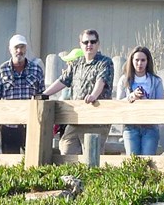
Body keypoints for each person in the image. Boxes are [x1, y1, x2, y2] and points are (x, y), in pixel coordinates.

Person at [45, 29, 113, 157]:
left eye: (93, 41)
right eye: (86, 42)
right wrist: (43, 94)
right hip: (76, 119)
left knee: (92, 158)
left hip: (96, 120)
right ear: (80, 44)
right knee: (66, 149)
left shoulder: (105, 62)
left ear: (98, 44)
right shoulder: (76, 63)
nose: (89, 45)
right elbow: (63, 80)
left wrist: (93, 95)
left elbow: (101, 80)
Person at [0, 34, 45, 154]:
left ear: (26, 49)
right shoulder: (1, 70)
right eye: (16, 47)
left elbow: (42, 96)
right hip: (8, 124)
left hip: (30, 124)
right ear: (10, 49)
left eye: (22, 47)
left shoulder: (36, 69)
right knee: (9, 161)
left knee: (33, 158)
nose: (19, 51)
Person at [114, 45, 164, 157]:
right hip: (130, 126)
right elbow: (118, 104)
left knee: (148, 161)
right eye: (136, 60)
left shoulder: (156, 81)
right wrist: (131, 96)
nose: (139, 63)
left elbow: (160, 104)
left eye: (143, 60)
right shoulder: (124, 80)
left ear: (148, 62)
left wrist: (146, 101)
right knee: (132, 162)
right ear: (131, 61)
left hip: (150, 126)